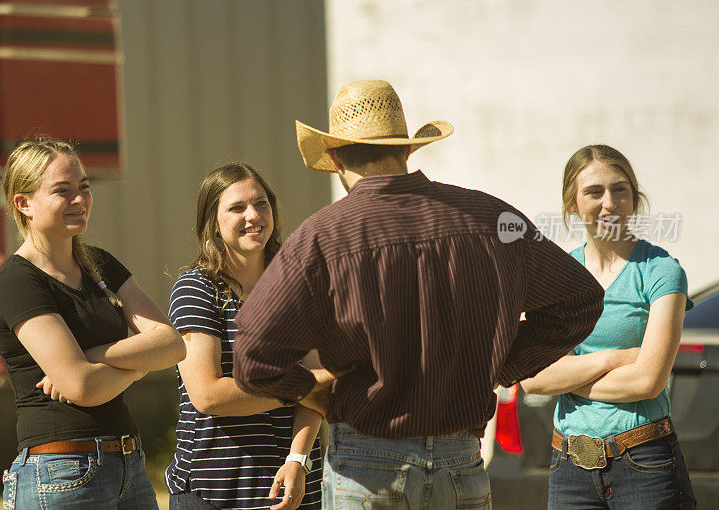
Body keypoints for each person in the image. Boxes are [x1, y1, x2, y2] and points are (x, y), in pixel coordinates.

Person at [231, 79, 604, 509]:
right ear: (408, 150)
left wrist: (316, 394)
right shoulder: (490, 216)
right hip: (462, 465)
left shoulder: (321, 238)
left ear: (334, 158)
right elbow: (580, 301)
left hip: (365, 467)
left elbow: (253, 360)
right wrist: (501, 365)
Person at [0, 137, 185, 509]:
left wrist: (94, 356)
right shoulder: (18, 280)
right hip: (60, 470)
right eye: (63, 191)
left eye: (83, 187)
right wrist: (138, 364)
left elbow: (173, 344)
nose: (80, 199)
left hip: (130, 464)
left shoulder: (100, 263)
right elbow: (81, 386)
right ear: (23, 203)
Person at [521, 144, 696, 509]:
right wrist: (616, 359)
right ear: (573, 203)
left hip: (644, 463)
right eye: (594, 192)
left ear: (634, 198)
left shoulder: (661, 271)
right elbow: (533, 379)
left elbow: (647, 382)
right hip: (568, 467)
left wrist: (567, 373)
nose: (610, 203)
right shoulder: (558, 276)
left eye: (620, 189)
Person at [165, 163, 322, 510]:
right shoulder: (196, 289)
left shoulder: (298, 286)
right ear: (213, 223)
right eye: (237, 208)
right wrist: (301, 387)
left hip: (293, 487)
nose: (253, 215)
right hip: (215, 492)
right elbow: (208, 395)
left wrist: (298, 460)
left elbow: (318, 385)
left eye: (261, 203)